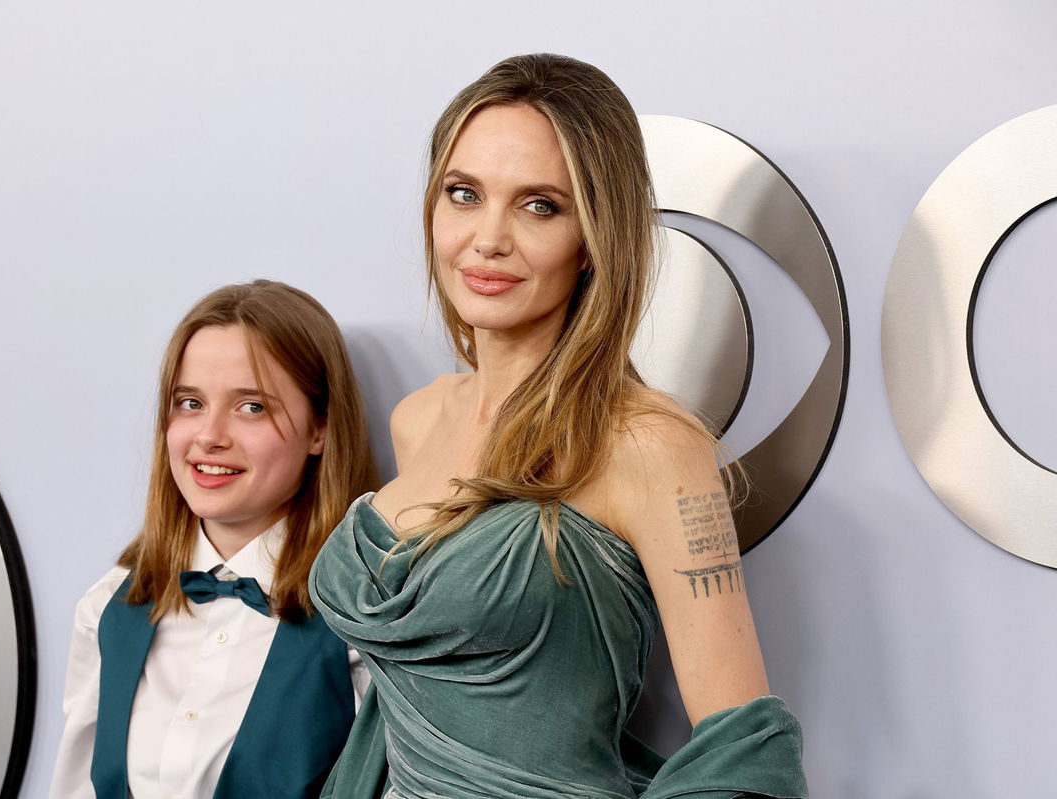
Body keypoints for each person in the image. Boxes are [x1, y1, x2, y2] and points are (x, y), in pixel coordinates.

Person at [310, 54, 807, 798]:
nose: (487, 239)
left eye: (539, 205)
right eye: (463, 193)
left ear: (593, 238)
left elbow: (746, 753)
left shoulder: (648, 443)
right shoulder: (418, 418)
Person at [52, 280, 379, 799]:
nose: (209, 435)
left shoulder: (366, 623)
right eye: (190, 403)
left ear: (320, 428)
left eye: (251, 407)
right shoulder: (108, 608)